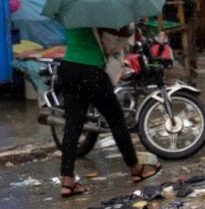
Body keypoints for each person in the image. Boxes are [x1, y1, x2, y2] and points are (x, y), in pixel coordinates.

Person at [56, 26, 161, 198]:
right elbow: (119, 32)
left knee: (73, 126)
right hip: (91, 70)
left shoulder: (72, 11)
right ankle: (136, 169)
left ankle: (67, 181)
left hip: (68, 67)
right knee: (116, 120)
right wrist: (129, 29)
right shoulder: (95, 11)